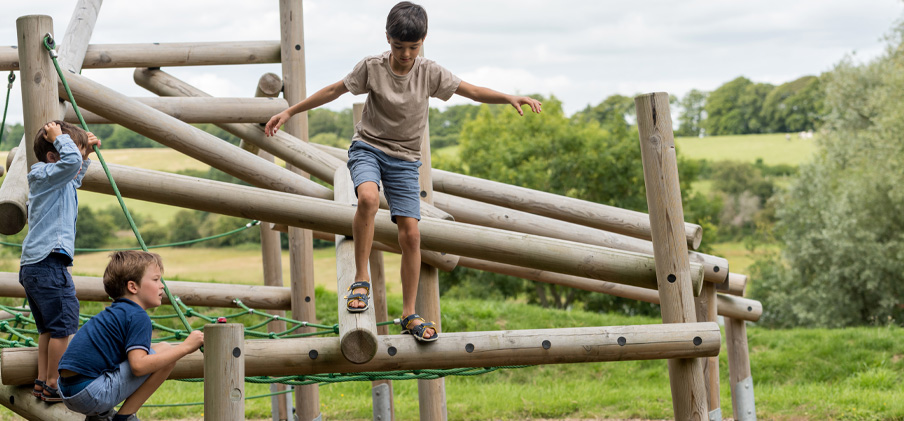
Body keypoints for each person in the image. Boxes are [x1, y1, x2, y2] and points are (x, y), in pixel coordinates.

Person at [265, 1, 541, 342]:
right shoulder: (372, 67)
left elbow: (472, 90)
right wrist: (290, 111)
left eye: (413, 47)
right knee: (367, 198)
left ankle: (409, 313)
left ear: (423, 41)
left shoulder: (430, 73)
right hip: (368, 148)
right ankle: (360, 279)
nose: (406, 54)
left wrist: (509, 97)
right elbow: (334, 90)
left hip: (406, 161)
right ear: (388, 39)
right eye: (399, 47)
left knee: (411, 235)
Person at [57, 251, 204, 421]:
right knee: (167, 355)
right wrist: (186, 347)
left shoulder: (113, 314)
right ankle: (125, 416)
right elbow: (139, 366)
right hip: (91, 394)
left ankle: (100, 416)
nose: (162, 285)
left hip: (67, 391)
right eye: (156, 280)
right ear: (133, 287)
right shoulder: (138, 316)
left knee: (160, 349)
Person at [19, 120, 99, 401]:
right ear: (54, 155)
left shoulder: (57, 178)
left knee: (49, 330)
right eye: (70, 152)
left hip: (36, 266)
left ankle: (42, 380)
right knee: (64, 328)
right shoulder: (44, 173)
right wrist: (59, 137)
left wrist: (85, 153)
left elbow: (74, 173)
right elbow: (69, 165)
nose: (76, 159)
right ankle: (55, 383)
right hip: (48, 263)